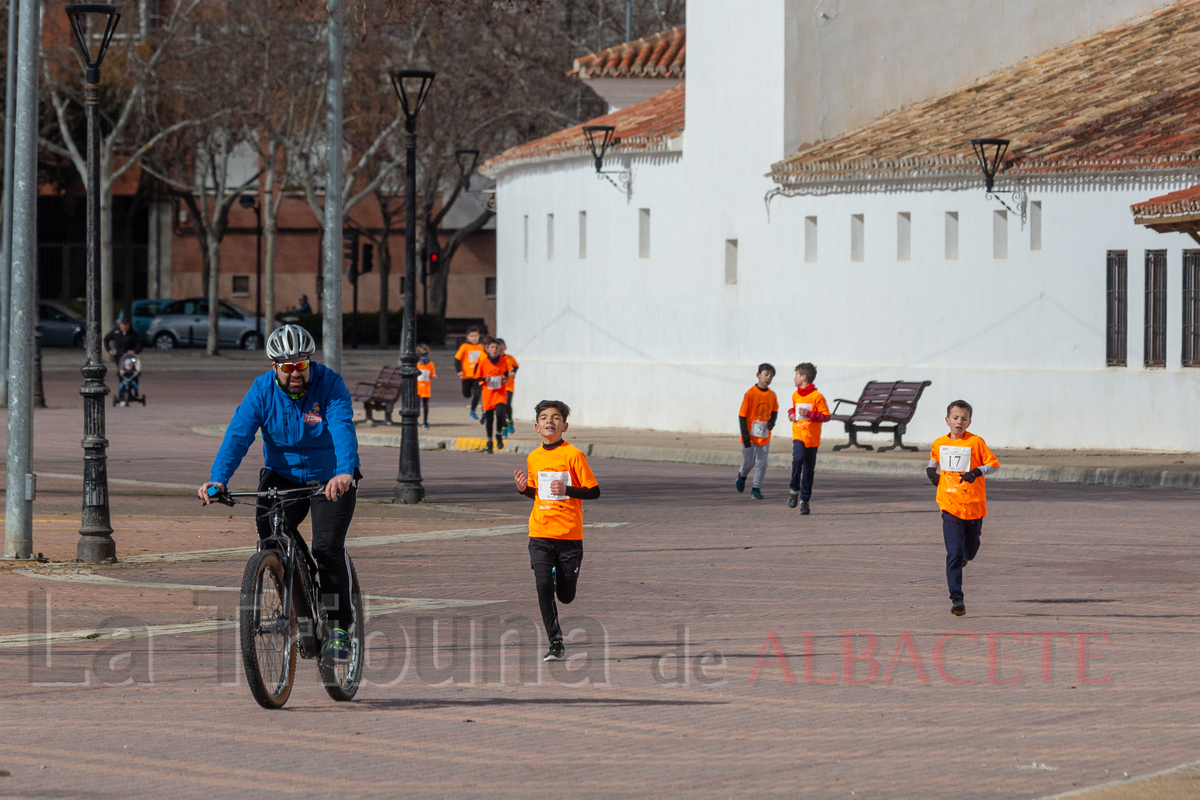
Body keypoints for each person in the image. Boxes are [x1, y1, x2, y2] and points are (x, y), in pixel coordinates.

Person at [198, 324, 361, 662]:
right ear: (275, 367)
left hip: (330, 477)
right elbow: (238, 434)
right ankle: (298, 602)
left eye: (301, 365)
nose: (295, 373)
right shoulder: (261, 391)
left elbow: (343, 428)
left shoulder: (330, 384)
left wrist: (345, 471)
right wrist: (218, 479)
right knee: (272, 537)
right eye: (287, 367)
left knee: (327, 548)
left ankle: (339, 628)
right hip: (282, 477)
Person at [513, 400, 601, 662]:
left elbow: (594, 492)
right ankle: (556, 642)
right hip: (539, 532)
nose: (549, 421)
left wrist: (568, 490)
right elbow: (536, 492)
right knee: (542, 586)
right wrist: (522, 489)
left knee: (566, 596)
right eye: (543, 417)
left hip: (569, 537)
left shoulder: (573, 455)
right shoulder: (533, 457)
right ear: (536, 427)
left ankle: (559, 580)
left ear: (565, 425)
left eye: (555, 417)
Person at [927, 400, 1000, 617]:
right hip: (949, 505)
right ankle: (957, 598)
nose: (959, 422)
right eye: (955, 418)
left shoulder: (976, 442)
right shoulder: (940, 442)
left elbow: (993, 465)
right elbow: (933, 460)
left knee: (970, 549)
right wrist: (931, 472)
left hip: (973, 507)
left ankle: (967, 555)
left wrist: (976, 472)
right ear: (947, 420)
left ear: (969, 422)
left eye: (964, 419)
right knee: (954, 552)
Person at [786, 362, 830, 513]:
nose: (794, 378)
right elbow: (793, 407)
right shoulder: (795, 394)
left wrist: (810, 414)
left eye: (796, 375)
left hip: (812, 438)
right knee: (797, 459)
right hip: (799, 434)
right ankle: (794, 490)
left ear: (803, 377)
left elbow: (826, 416)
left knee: (809, 469)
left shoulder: (817, 396)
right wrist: (791, 413)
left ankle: (805, 500)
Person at [736, 363, 778, 500]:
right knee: (749, 462)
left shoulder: (772, 395)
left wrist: (772, 422)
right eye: (766, 375)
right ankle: (742, 476)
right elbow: (742, 415)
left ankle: (756, 488)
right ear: (758, 375)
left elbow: (774, 410)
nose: (768, 378)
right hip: (749, 436)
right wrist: (745, 436)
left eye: (771, 376)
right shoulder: (750, 394)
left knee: (762, 463)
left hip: (764, 436)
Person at [476, 337, 510, 453]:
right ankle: (489, 442)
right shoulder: (483, 362)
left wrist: (505, 379)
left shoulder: (503, 361)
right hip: (488, 394)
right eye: (492, 347)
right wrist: (484, 379)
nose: (495, 349)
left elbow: (506, 372)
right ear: (487, 349)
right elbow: (478, 378)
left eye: (497, 347)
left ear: (500, 349)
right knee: (489, 419)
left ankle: (498, 434)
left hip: (500, 393)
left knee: (500, 414)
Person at [454, 326, 485, 419]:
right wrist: (459, 370)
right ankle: (468, 393)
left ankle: (473, 411)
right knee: (466, 394)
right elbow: (457, 359)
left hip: (477, 375)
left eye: (476, 336)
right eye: (472, 336)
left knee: (477, 393)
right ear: (467, 337)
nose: (474, 338)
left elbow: (484, 360)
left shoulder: (480, 347)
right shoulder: (464, 347)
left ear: (479, 336)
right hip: (466, 375)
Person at [498, 338, 518, 436]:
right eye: (498, 349)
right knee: (500, 408)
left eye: (502, 349)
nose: (500, 351)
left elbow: (515, 366)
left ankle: (509, 421)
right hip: (498, 388)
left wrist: (513, 372)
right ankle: (504, 427)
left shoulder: (509, 358)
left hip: (509, 387)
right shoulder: (495, 360)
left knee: (507, 405)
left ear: (505, 348)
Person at [416, 343, 436, 429]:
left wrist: (433, 376)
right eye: (420, 352)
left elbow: (433, 374)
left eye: (424, 352)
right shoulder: (416, 364)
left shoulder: (430, 364)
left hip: (425, 388)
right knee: (416, 405)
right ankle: (416, 420)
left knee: (425, 405)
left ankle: (425, 421)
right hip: (417, 388)